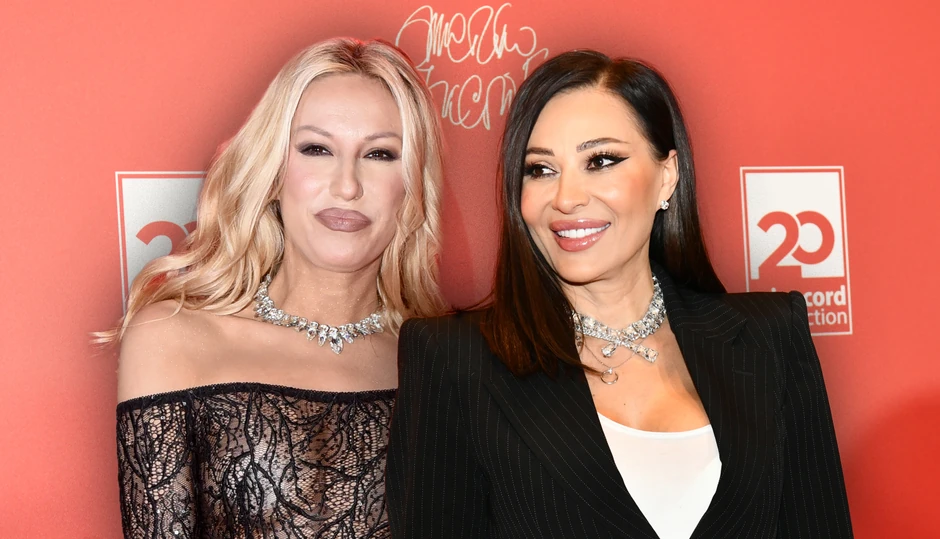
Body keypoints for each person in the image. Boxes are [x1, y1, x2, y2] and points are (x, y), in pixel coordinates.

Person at [386, 50, 853, 538]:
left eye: (601, 161)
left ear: (666, 177)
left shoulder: (769, 336)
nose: (566, 198)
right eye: (540, 169)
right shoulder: (454, 360)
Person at [109, 37, 446, 539]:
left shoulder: (446, 362)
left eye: (379, 154)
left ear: (413, 184)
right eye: (316, 149)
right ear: (273, 171)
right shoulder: (173, 338)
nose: (347, 185)